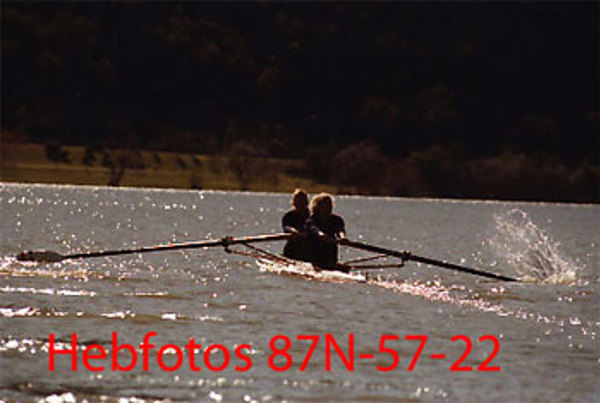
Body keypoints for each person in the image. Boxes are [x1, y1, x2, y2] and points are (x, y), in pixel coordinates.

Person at [304, 193, 349, 270]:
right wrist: (321, 234)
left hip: (330, 255)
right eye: (325, 206)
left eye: (329, 205)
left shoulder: (337, 220)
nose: (328, 208)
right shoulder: (311, 220)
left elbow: (340, 230)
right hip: (314, 255)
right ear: (318, 207)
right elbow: (314, 228)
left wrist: (343, 237)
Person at [281, 189, 310, 260]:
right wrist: (292, 230)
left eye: (302, 201)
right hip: (292, 249)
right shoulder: (288, 216)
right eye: (298, 201)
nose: (300, 204)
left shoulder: (312, 216)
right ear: (294, 202)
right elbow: (286, 227)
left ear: (306, 203)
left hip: (309, 249)